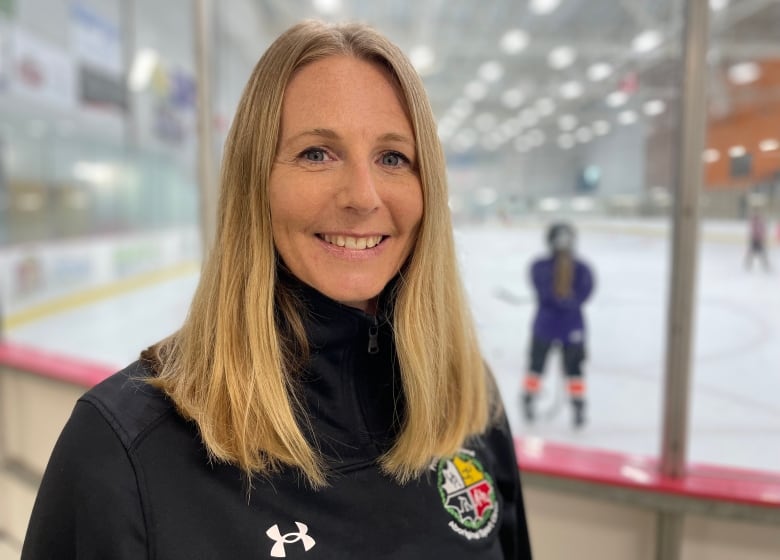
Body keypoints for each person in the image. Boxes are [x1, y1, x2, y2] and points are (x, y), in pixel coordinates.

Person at [22, 20, 532, 559]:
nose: (363, 195)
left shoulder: (468, 398)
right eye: (317, 153)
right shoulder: (124, 450)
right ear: (254, 182)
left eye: (392, 158)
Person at [521, 222, 594, 428]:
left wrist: (567, 300)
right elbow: (544, 290)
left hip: (567, 328)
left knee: (574, 371)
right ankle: (529, 399)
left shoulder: (581, 269)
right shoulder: (541, 266)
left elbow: (585, 292)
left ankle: (578, 406)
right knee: (536, 368)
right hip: (550, 327)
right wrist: (564, 300)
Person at [745, 208, 771, 272]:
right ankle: (748, 264)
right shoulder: (754, 221)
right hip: (755, 239)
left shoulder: (759, 222)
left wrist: (763, 237)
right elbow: (755, 231)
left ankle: (765, 265)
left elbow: (762, 230)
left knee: (761, 253)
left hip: (758, 240)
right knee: (752, 252)